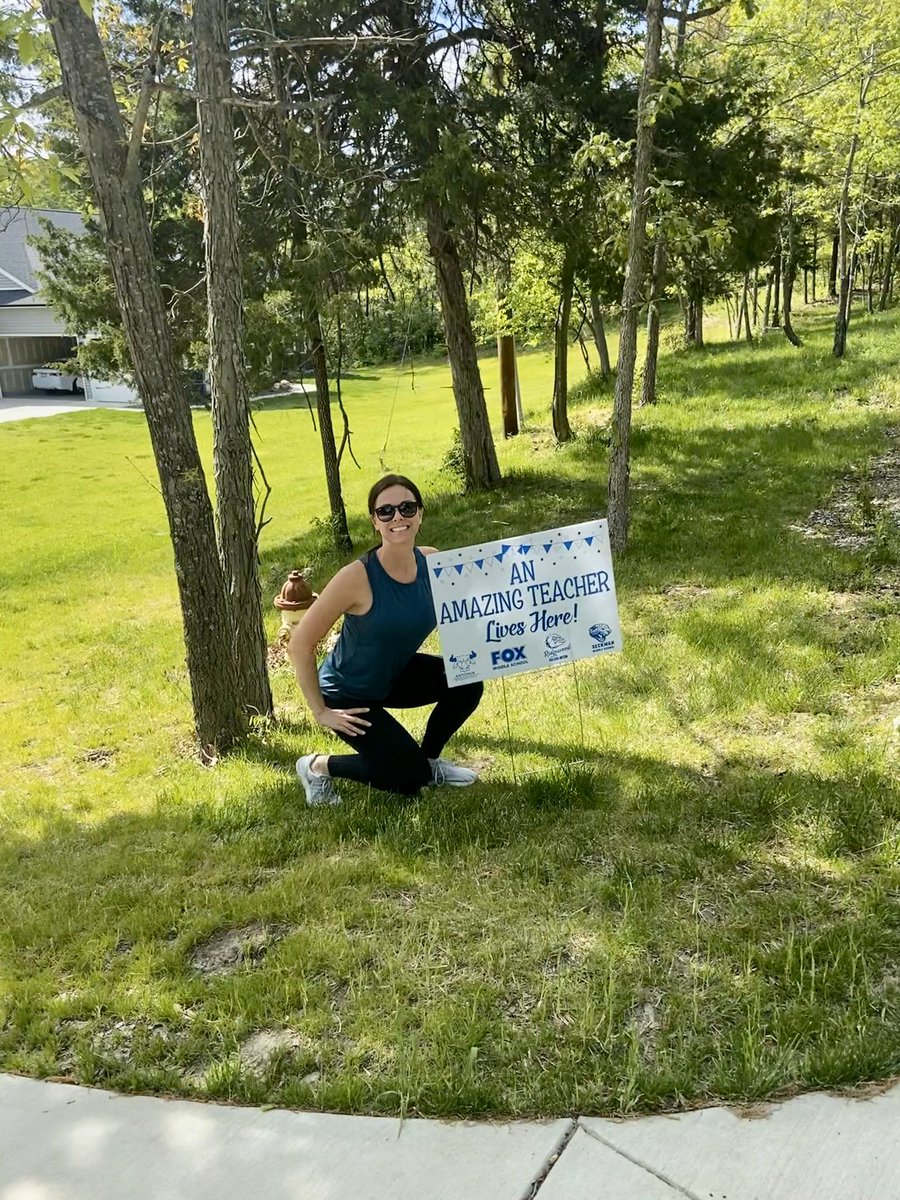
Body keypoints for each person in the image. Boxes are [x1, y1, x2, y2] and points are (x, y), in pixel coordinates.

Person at [288, 474, 483, 805]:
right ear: (374, 522)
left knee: (466, 680)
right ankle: (317, 767)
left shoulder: (433, 561)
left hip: (393, 675)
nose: (398, 518)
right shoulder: (356, 577)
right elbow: (299, 644)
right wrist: (321, 711)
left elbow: (471, 606)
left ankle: (430, 762)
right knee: (407, 779)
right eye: (386, 511)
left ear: (420, 514)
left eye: (407, 508)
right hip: (348, 694)